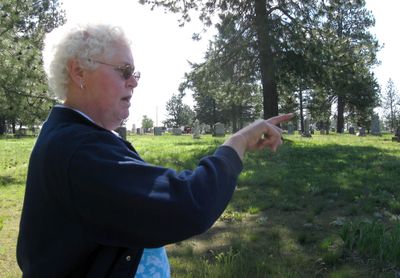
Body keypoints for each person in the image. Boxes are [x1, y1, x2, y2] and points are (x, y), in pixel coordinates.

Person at [16, 23, 293, 277]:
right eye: (124, 71)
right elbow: (187, 205)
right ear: (79, 72)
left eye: (134, 73)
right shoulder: (78, 150)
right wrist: (237, 143)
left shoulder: (77, 138)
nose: (134, 82)